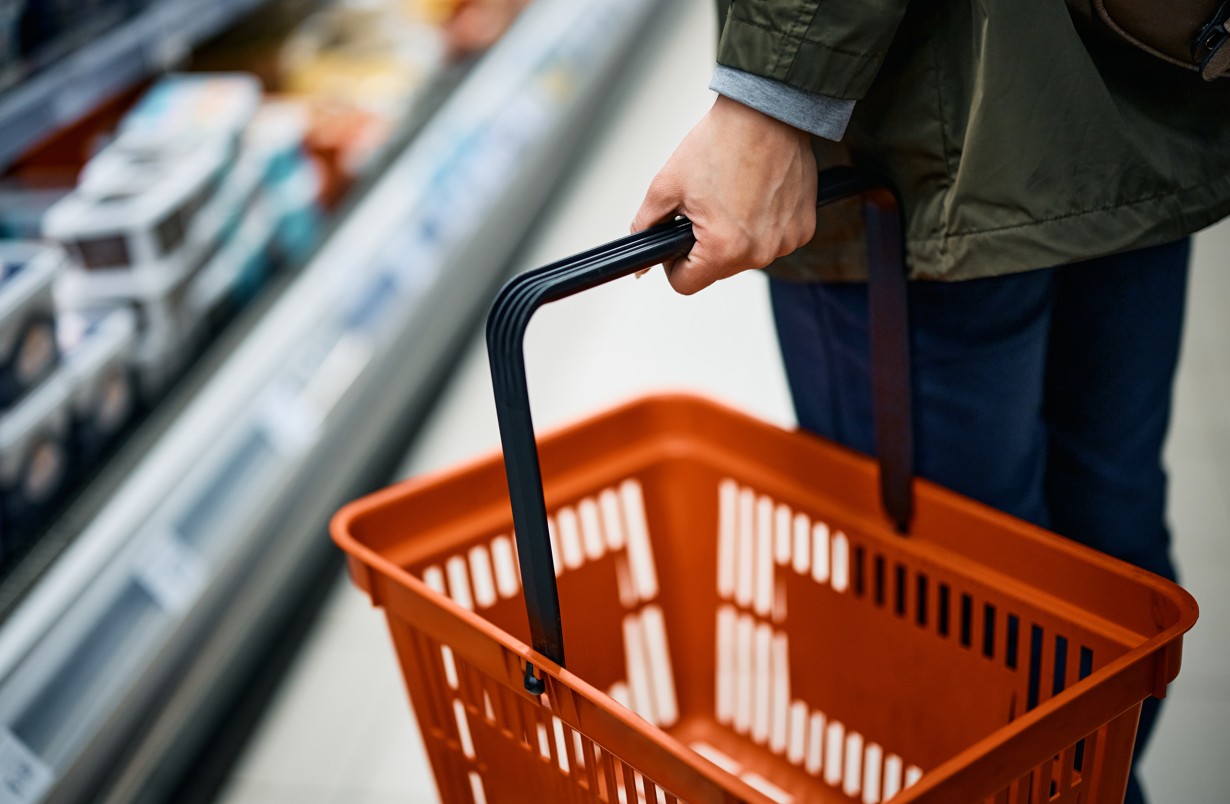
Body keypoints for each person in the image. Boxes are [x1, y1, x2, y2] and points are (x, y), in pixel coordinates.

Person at [631, 2, 1230, 802]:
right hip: (1132, 90)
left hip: (927, 142)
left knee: (950, 602)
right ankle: (1103, 784)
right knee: (1105, 517)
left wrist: (768, 92)